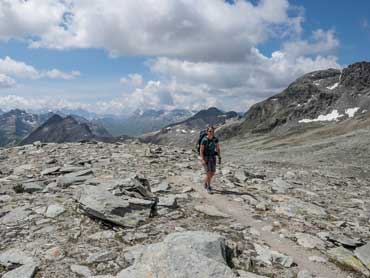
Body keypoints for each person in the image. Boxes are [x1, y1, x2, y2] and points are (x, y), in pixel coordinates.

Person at [200, 126, 221, 193]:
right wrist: (202, 159)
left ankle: (205, 183)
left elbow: (217, 148)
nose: (211, 132)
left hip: (213, 157)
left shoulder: (215, 139)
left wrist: (219, 157)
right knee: (208, 173)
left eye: (212, 131)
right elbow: (201, 150)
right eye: (209, 131)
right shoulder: (204, 140)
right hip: (206, 157)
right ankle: (208, 187)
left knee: (213, 172)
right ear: (207, 132)